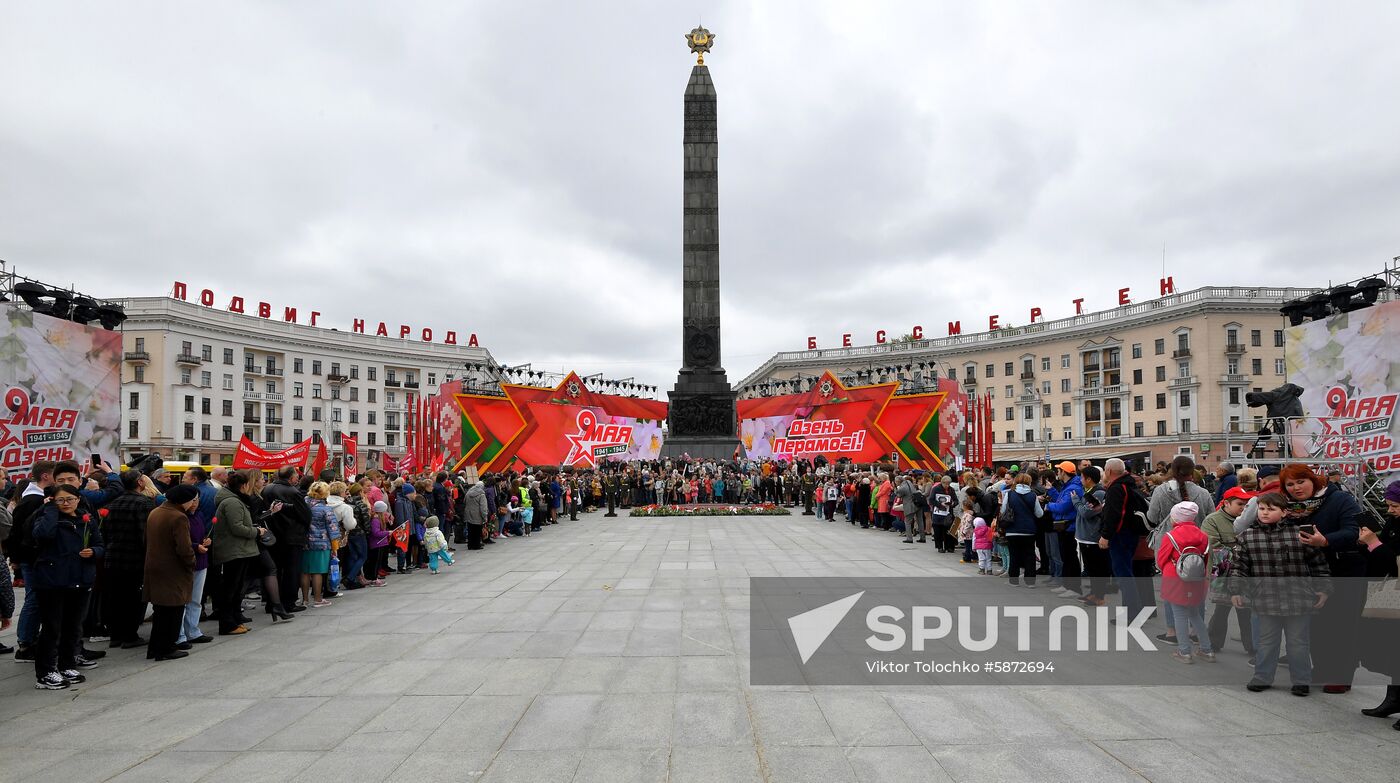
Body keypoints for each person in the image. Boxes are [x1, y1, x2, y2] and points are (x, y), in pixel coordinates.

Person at [1228, 492, 1332, 696]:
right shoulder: (1247, 536)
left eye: (1271, 509)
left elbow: (1318, 563)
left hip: (1298, 598)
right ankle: (1262, 677)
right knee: (1266, 642)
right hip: (1264, 598)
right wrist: (1236, 589)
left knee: (1298, 642)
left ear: (1284, 512)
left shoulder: (1299, 533)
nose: (1265, 513)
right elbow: (1238, 566)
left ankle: (1301, 680)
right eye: (1262, 509)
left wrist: (1323, 588)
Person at [1282, 464, 1363, 694]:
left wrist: (1325, 540)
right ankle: (1321, 668)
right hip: (1313, 573)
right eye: (1290, 484)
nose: (1296, 488)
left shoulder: (1339, 499)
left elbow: (1355, 531)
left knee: (1342, 626)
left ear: (1313, 480)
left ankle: (1341, 675)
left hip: (1344, 570)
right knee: (1317, 625)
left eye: (1300, 481)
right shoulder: (1293, 508)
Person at [29, 485, 104, 689]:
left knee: (73, 626)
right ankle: (45, 672)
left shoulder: (86, 519)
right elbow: (43, 535)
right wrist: (51, 509)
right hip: (52, 580)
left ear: (78, 499)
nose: (66, 503)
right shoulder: (47, 516)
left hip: (79, 579)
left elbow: (100, 544)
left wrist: (94, 552)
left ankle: (67, 664)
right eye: (61, 500)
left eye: (70, 499)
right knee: (52, 627)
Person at [1357, 480, 1400, 729]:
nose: (1390, 510)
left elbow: (1393, 562)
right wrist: (1367, 544)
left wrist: (1375, 544)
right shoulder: (1394, 522)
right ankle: (1393, 699)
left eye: (1395, 505)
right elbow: (1381, 560)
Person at [100, 470, 157, 649]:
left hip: (113, 556)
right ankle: (129, 635)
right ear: (140, 482)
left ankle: (115, 635)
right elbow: (145, 534)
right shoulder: (144, 503)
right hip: (135, 559)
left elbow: (105, 532)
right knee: (134, 599)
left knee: (116, 598)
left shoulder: (113, 503)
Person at [1157, 501, 1215, 664]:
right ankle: (1207, 650)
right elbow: (1206, 558)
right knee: (1195, 614)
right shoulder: (1203, 535)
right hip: (1197, 579)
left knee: (1179, 615)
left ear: (1175, 518)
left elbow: (1161, 560)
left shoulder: (1171, 536)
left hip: (1175, 578)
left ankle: (1184, 651)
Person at [145, 485, 199, 661]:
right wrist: (191, 562)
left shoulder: (156, 512)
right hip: (173, 569)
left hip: (155, 567)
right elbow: (184, 547)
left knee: (161, 611)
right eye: (192, 499)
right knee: (174, 611)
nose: (193, 503)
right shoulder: (178, 517)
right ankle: (166, 648)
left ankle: (155, 647)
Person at [211, 471, 266, 635]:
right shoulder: (232, 502)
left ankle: (234, 618)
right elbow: (237, 527)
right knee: (230, 587)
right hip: (234, 550)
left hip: (239, 549)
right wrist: (256, 531)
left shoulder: (235, 500)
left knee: (235, 587)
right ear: (244, 486)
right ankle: (227, 623)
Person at [1203, 487, 1254, 657]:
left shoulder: (1251, 519)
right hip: (1223, 571)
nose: (1244, 508)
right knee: (1222, 608)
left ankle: (1251, 645)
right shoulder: (1213, 520)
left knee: (1245, 609)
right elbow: (1213, 546)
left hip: (1245, 572)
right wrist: (1242, 550)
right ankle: (1213, 642)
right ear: (1226, 503)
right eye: (1240, 504)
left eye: (1247, 504)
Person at [1098, 458, 1148, 621]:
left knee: (1124, 574)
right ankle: (1135, 609)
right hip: (1128, 534)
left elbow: (1115, 516)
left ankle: (1131, 613)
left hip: (1121, 536)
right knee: (1126, 573)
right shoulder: (1127, 485)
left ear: (1109, 472)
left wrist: (1106, 535)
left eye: (1105, 469)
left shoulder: (1117, 488)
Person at [263, 466, 310, 612]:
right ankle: (288, 602)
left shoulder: (267, 489)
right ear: (290, 477)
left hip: (273, 535)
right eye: (296, 475)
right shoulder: (293, 491)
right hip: (292, 535)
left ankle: (272, 602)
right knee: (291, 570)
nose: (297, 478)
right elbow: (305, 515)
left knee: (274, 570)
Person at [1070, 466, 1109, 607]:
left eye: (1082, 477)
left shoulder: (1098, 493)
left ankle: (1099, 596)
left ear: (1089, 479)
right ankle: (1094, 593)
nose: (1080, 480)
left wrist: (1075, 500)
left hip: (1092, 537)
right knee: (1091, 568)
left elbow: (1086, 512)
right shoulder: (1090, 491)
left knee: (1097, 568)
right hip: (1085, 536)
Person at [1045, 461, 1083, 596]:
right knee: (1066, 557)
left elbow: (1063, 507)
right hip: (1065, 526)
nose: (1057, 473)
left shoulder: (1073, 487)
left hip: (1069, 527)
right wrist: (1052, 490)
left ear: (1064, 472)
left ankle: (1074, 588)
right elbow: (1060, 501)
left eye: (1059, 471)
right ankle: (1067, 585)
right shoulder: (1068, 486)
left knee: (1070, 557)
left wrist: (1048, 506)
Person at [1000, 474, 1044, 587]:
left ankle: (1013, 580)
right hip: (1029, 530)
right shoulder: (1033, 495)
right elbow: (1039, 514)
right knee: (1029, 555)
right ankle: (1030, 582)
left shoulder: (1009, 494)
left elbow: (1003, 510)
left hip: (1012, 529)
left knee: (1014, 554)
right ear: (1029, 482)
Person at [302, 482, 340, 608]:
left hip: (304, 542)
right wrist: (335, 547)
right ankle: (318, 599)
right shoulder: (325, 508)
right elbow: (333, 529)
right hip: (321, 543)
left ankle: (304, 600)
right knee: (317, 571)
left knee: (305, 572)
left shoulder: (303, 505)